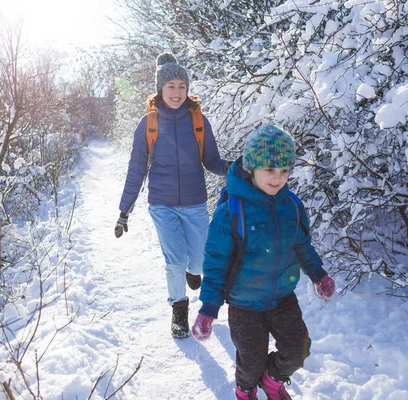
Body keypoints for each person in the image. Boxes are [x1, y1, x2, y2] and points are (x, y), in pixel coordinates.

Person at [190, 125, 336, 399]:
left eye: (284, 170)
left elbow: (301, 244)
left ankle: (271, 381)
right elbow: (216, 263)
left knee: (298, 350)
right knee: (250, 361)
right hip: (244, 305)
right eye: (270, 169)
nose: (278, 178)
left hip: (282, 298)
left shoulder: (291, 205)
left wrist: (318, 274)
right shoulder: (231, 212)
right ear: (251, 167)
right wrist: (208, 308)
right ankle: (245, 390)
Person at [114, 52, 230, 339]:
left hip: (195, 202)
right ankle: (179, 311)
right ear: (160, 90)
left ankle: (194, 271)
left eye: (181, 85)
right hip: (162, 204)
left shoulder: (198, 121)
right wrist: (124, 210)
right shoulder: (149, 123)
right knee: (174, 261)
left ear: (187, 89)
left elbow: (212, 160)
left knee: (201, 261)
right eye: (171, 86)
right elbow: (136, 169)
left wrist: (232, 168)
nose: (177, 92)